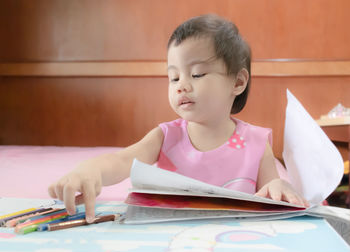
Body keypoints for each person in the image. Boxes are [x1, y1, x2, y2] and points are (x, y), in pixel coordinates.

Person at [48, 14, 309, 223]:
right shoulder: (166, 137)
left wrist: (278, 186)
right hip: (168, 238)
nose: (181, 85)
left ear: (238, 82)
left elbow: (270, 190)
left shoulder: (255, 143)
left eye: (196, 75)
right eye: (174, 77)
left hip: (233, 242)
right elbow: (121, 160)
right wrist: (90, 170)